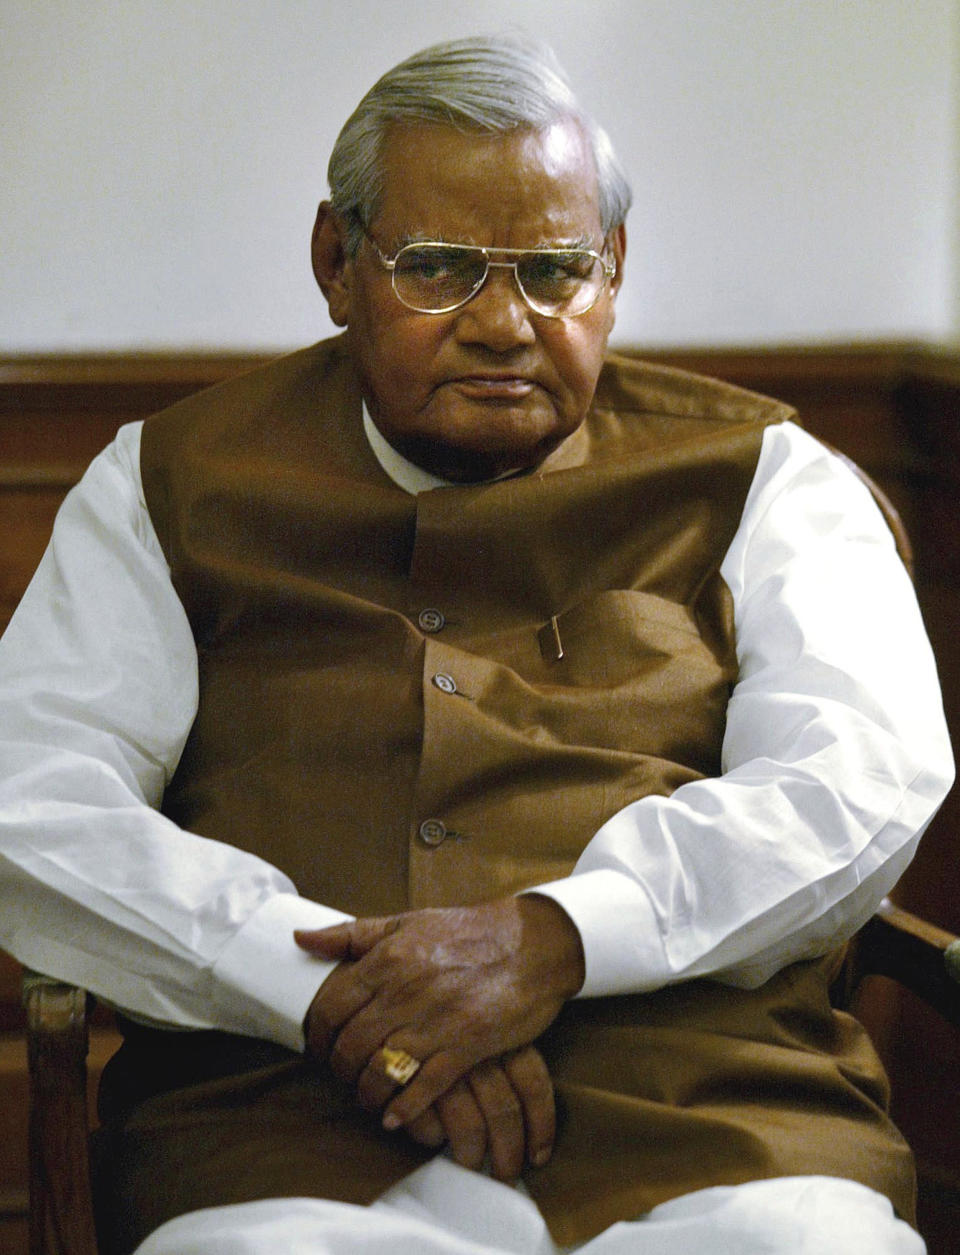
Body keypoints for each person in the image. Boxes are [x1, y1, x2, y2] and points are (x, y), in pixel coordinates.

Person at [0, 34, 953, 1255]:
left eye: (557, 270)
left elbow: (859, 778)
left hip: (707, 1110)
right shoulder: (164, 484)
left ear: (614, 270)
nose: (506, 323)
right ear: (336, 263)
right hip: (285, 1120)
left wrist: (559, 938)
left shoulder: (769, 480)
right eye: (441, 268)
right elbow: (34, 797)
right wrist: (329, 988)